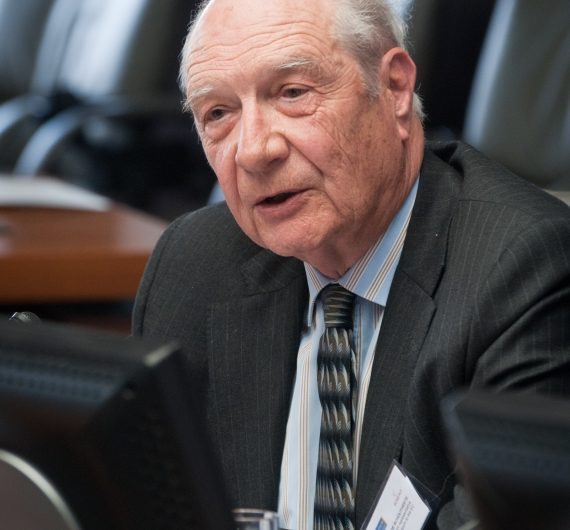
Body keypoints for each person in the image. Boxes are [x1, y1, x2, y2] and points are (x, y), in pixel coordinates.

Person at [132, 0, 570, 528]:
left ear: (395, 88)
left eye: (293, 93)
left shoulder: (523, 269)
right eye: (218, 114)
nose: (253, 150)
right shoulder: (193, 264)